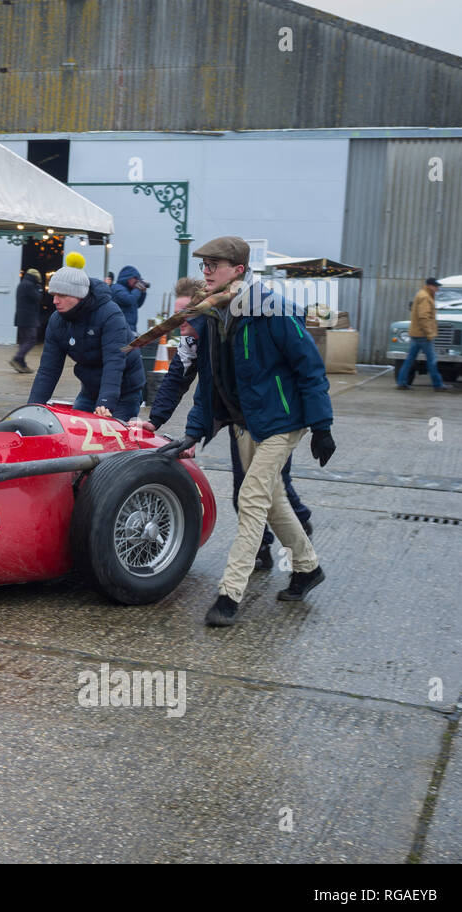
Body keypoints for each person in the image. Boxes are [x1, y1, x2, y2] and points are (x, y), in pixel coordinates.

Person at [163, 236, 334, 627]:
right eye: (203, 265)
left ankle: (229, 593)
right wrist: (193, 431)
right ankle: (307, 568)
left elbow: (310, 369)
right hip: (244, 424)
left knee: (252, 497)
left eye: (214, 265)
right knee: (273, 501)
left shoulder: (274, 311)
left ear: (238, 270)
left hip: (281, 421)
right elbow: (210, 381)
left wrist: (322, 426)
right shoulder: (210, 314)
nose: (205, 272)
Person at [135, 275, 313, 571]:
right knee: (245, 490)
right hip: (240, 421)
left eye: (186, 315)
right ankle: (262, 547)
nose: (181, 322)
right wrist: (154, 421)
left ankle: (301, 530)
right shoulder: (193, 340)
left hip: (274, 419)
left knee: (273, 489)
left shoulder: (226, 335)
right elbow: (177, 378)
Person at [27, 264, 145, 420]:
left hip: (124, 390)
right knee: (77, 433)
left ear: (78, 295)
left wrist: (105, 403)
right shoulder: (56, 321)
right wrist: (31, 409)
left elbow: (114, 362)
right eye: (53, 295)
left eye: (61, 295)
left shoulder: (110, 314)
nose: (55, 301)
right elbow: (48, 370)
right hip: (90, 389)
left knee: (109, 438)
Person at [396, 277, 447, 390]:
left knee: (409, 360)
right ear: (430, 285)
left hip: (416, 334)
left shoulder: (422, 294)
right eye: (435, 286)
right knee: (432, 360)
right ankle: (438, 384)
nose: (437, 289)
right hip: (423, 335)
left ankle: (401, 382)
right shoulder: (425, 297)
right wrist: (429, 333)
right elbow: (424, 317)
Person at [11, 267, 43, 374]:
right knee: (31, 339)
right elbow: (38, 297)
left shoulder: (22, 284)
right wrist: (39, 287)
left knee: (24, 340)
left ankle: (22, 364)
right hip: (29, 317)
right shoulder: (30, 285)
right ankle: (17, 358)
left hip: (21, 317)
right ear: (36, 277)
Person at [110, 265, 148, 334]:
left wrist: (143, 292)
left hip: (130, 329)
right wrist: (137, 289)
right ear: (128, 278)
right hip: (119, 329)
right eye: (136, 278)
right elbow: (129, 300)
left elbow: (137, 304)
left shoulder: (130, 291)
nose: (137, 281)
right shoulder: (116, 288)